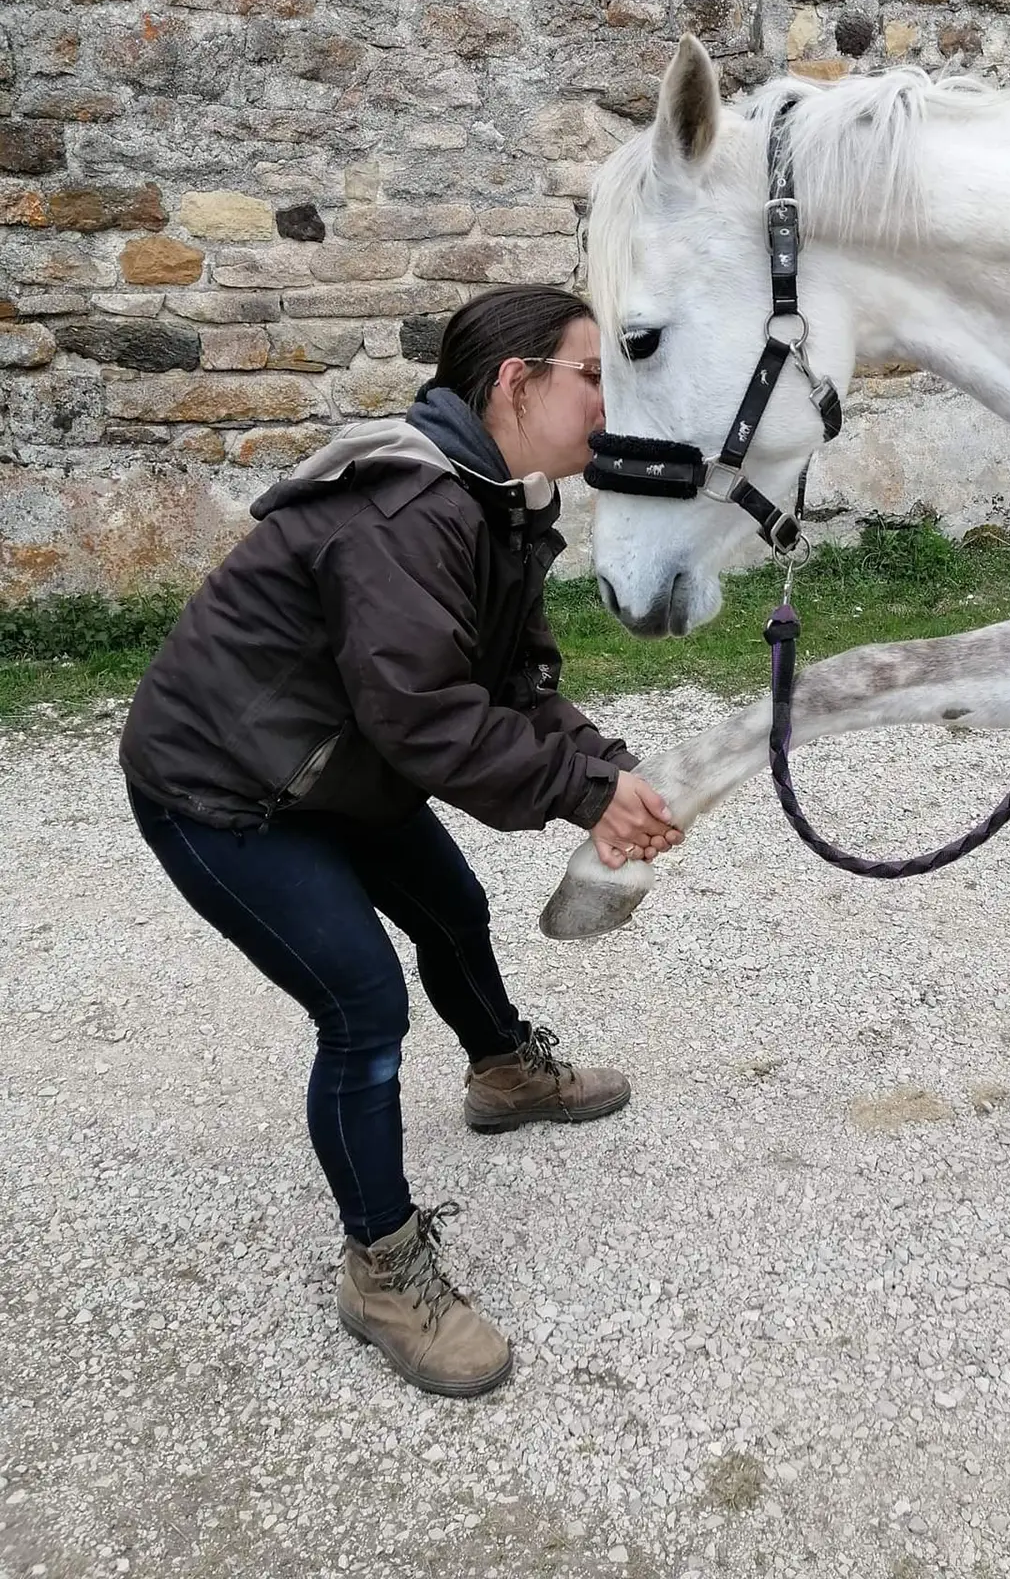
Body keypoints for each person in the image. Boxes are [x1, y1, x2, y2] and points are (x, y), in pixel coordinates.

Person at [120, 284, 681, 1398]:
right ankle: (381, 1270)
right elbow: (426, 719)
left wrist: (606, 770)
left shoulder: (496, 498)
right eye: (595, 375)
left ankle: (505, 1075)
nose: (614, 403)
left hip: (334, 767)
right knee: (362, 1004)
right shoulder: (408, 509)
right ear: (516, 383)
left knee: (451, 909)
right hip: (221, 790)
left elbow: (510, 685)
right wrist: (581, 794)